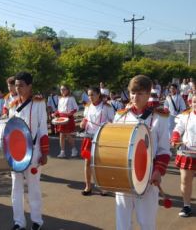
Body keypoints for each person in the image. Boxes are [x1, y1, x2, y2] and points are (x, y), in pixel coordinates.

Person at [113, 75, 171, 230]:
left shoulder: (160, 117)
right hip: (124, 175)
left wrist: (158, 171)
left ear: (147, 94)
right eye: (132, 92)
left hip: (148, 175)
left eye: (139, 93)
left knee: (146, 222)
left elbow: (164, 150)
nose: (134, 97)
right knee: (122, 222)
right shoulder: (120, 116)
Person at [9, 72, 49, 230]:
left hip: (34, 152)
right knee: (15, 188)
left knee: (33, 188)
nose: (18, 88)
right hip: (16, 154)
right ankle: (18, 222)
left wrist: (44, 153)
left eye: (21, 85)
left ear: (29, 86)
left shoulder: (39, 103)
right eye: (16, 85)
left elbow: (43, 129)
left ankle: (37, 221)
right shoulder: (13, 105)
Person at [80, 87, 114, 196]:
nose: (90, 97)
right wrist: (83, 123)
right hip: (89, 136)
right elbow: (86, 118)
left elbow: (113, 121)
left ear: (99, 94)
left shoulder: (106, 107)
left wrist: (106, 125)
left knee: (100, 163)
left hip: (101, 137)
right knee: (87, 162)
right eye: (89, 95)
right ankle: (88, 186)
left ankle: (103, 187)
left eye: (93, 95)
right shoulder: (88, 106)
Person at [171, 94, 196, 217]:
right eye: (195, 102)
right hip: (188, 152)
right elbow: (177, 129)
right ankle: (186, 206)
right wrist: (175, 137)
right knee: (185, 181)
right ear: (191, 103)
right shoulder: (185, 116)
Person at [53, 85, 79, 158]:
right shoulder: (60, 99)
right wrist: (55, 114)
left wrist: (70, 113)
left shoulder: (71, 98)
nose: (62, 91)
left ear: (68, 90)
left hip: (68, 119)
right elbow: (59, 110)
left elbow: (76, 108)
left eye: (64, 89)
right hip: (61, 119)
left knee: (68, 135)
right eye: (61, 89)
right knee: (61, 135)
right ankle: (62, 152)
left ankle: (74, 150)